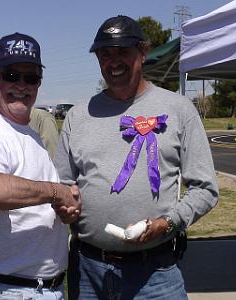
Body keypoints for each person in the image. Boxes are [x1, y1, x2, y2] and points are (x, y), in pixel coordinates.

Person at [54, 15, 219, 299]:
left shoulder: (179, 109)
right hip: (89, 272)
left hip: (156, 274)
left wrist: (168, 223)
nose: (113, 62)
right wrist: (64, 205)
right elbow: (63, 185)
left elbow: (205, 188)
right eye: (105, 54)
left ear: (143, 53)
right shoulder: (78, 116)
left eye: (123, 52)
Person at [0, 32, 81, 300]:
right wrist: (56, 191)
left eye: (31, 77)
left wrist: (63, 209)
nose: (21, 85)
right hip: (7, 289)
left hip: (36, 288)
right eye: (11, 75)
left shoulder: (28, 134)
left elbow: (36, 203)